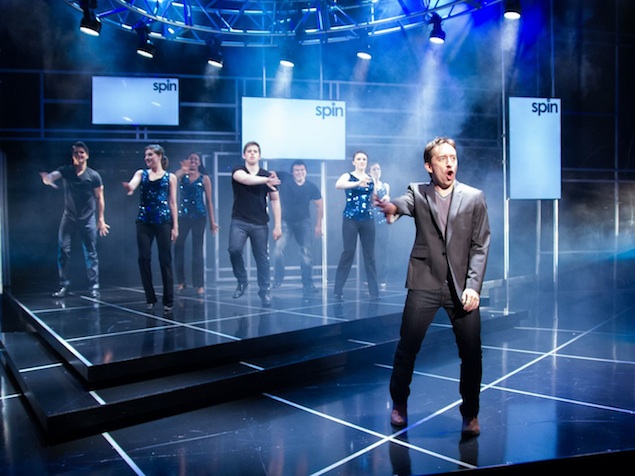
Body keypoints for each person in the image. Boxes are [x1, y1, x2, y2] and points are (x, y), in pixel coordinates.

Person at [375, 137, 490, 437]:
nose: (450, 163)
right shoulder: (418, 192)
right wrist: (391, 207)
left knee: (471, 353)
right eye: (442, 158)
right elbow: (402, 203)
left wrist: (474, 286)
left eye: (453, 157)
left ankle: (470, 413)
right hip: (424, 281)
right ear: (429, 166)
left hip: (461, 288)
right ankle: (399, 404)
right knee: (407, 348)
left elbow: (480, 245)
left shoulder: (474, 197)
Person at [40, 141, 110, 298]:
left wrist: (101, 219)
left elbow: (100, 198)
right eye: (76, 153)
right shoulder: (66, 170)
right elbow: (52, 176)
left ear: (87, 155)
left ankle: (94, 286)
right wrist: (47, 179)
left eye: (81, 152)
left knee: (90, 252)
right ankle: (64, 285)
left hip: (88, 218)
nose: (79, 155)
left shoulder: (93, 176)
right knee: (63, 250)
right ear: (72, 156)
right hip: (69, 217)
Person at [122, 144, 179, 312]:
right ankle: (150, 298)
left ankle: (168, 300)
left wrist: (175, 226)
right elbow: (133, 184)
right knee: (144, 258)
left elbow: (173, 202)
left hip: (163, 221)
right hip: (144, 221)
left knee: (165, 260)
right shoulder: (142, 173)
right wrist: (130, 188)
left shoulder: (170, 177)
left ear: (159, 156)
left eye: (150, 155)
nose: (147, 158)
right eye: (145, 155)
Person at [228, 141, 281, 307]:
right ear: (244, 155)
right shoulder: (238, 170)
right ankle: (242, 280)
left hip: (260, 223)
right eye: (249, 151)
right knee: (234, 250)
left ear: (259, 155)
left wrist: (278, 225)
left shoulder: (266, 175)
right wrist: (266, 180)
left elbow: (275, 200)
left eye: (255, 151)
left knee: (262, 258)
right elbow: (245, 180)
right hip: (240, 220)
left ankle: (265, 291)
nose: (252, 153)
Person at [272, 160, 323, 298]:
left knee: (306, 253)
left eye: (302, 170)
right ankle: (278, 277)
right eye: (297, 170)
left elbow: (319, 205)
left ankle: (308, 283)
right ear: (292, 172)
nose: (299, 173)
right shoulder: (285, 178)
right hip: (286, 221)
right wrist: (270, 180)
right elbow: (270, 173)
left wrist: (318, 224)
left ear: (306, 171)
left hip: (303, 222)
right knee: (278, 250)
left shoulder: (311, 186)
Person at [333, 150, 379, 301]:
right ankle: (338, 290)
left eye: (364, 159)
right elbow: (338, 185)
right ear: (353, 162)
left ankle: (374, 292)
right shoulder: (348, 176)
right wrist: (358, 183)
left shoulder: (371, 178)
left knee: (369, 255)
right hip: (351, 219)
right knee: (349, 252)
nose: (361, 161)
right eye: (358, 159)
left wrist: (381, 202)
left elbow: (373, 198)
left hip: (367, 219)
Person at [174, 153, 219, 296]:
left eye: (195, 159)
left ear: (199, 163)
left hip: (199, 216)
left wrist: (212, 221)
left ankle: (199, 284)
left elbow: (209, 201)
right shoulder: (182, 175)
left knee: (197, 249)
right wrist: (184, 170)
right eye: (191, 159)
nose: (193, 161)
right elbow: (173, 179)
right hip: (183, 216)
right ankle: (181, 281)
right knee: (178, 246)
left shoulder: (204, 178)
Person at [369, 162, 391, 289]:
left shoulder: (385, 186)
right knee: (371, 250)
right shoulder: (368, 185)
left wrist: (386, 200)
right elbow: (372, 200)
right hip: (370, 220)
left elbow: (386, 201)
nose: (377, 171)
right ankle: (370, 278)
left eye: (378, 169)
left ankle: (383, 278)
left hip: (382, 221)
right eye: (374, 169)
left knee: (384, 250)